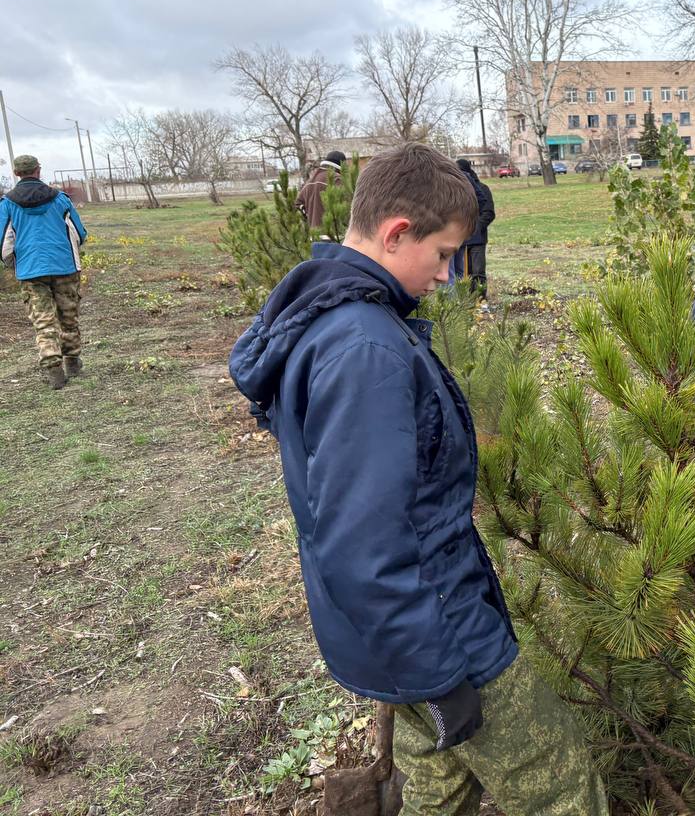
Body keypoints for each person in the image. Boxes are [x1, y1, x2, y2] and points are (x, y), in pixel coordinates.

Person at [228, 143, 606, 816]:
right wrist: (437, 673)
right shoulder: (364, 349)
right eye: (442, 255)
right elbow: (366, 544)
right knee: (559, 784)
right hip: (438, 633)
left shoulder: (332, 320)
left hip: (395, 636)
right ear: (397, 232)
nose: (447, 275)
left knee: (437, 783)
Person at [0, 155, 88, 390]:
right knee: (68, 316)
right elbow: (79, 233)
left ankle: (54, 372)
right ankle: (73, 363)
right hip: (65, 266)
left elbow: (4, 244)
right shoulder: (60, 199)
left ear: (17, 173)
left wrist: (14, 264)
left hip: (31, 270)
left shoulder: (7, 204)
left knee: (43, 320)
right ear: (38, 171)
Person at [450, 158, 495, 297]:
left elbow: (488, 212)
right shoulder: (456, 190)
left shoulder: (482, 188)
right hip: (461, 239)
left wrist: (475, 228)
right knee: (463, 272)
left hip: (477, 238)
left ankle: (481, 299)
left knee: (478, 272)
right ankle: (466, 300)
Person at [296, 150, 347, 230]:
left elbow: (298, 204)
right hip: (335, 234)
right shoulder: (337, 180)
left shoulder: (310, 181)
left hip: (314, 235)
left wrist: (310, 219)